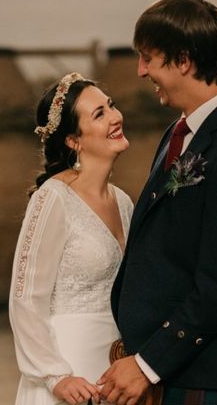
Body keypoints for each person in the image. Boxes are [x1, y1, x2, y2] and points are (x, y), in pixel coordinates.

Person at [99, 0, 217, 405]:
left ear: (183, 60)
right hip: (170, 369)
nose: (142, 70)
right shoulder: (181, 131)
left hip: (205, 377)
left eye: (148, 57)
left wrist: (148, 364)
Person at [9, 72, 132, 405]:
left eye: (111, 105)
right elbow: (24, 297)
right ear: (73, 140)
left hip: (115, 371)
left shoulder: (123, 202)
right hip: (69, 371)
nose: (115, 116)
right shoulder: (52, 199)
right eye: (99, 114)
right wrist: (55, 375)